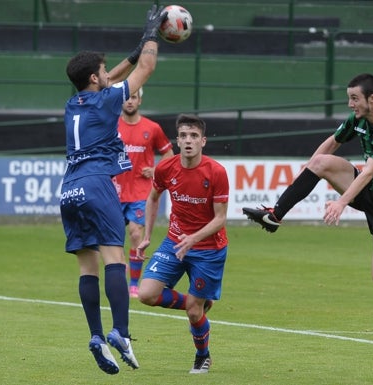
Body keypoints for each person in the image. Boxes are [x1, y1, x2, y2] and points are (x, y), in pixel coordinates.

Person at [243, 73, 373, 301]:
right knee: (320, 162)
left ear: (372, 98)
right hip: (366, 187)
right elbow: (333, 141)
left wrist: (341, 203)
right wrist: (308, 169)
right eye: (349, 98)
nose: (350, 104)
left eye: (355, 98)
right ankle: (275, 215)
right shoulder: (358, 119)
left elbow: (369, 171)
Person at [59, 4, 168, 375]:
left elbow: (110, 80)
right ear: (93, 77)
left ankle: (94, 336)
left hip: (69, 190)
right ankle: (120, 332)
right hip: (96, 183)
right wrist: (152, 36)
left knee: (86, 268)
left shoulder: (74, 103)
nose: (108, 74)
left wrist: (132, 53)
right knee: (115, 260)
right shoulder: (106, 100)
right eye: (102, 70)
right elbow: (146, 70)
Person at [137, 114, 229, 375]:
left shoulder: (216, 172)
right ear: (177, 141)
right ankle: (197, 302)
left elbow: (220, 218)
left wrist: (194, 238)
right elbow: (153, 198)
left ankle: (203, 356)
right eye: (184, 136)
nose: (188, 141)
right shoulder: (166, 168)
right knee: (146, 294)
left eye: (194, 136)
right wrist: (146, 236)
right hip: (174, 243)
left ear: (203, 141)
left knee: (192, 313)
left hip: (209, 250)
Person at [112, 87, 174, 299]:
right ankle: (120, 273)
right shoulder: (111, 125)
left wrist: (156, 169)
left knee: (136, 234)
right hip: (114, 190)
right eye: (127, 98)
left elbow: (169, 154)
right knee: (113, 239)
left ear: (140, 101)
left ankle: (134, 284)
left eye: (134, 97)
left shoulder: (152, 128)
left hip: (141, 191)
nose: (130, 101)